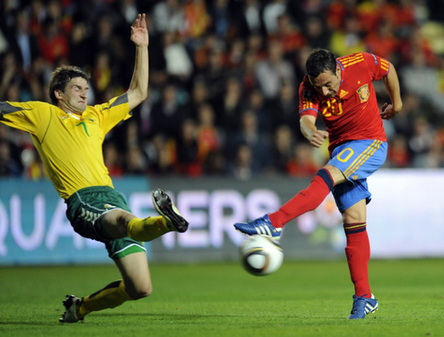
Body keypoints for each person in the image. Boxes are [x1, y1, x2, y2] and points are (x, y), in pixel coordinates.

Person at [0, 14, 189, 323]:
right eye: (77, 88)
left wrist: (142, 47)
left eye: (86, 88)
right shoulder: (43, 114)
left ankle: (81, 307)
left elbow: (139, 92)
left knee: (140, 287)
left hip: (112, 197)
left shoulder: (97, 116)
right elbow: (3, 108)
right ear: (59, 94)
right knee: (128, 221)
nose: (84, 93)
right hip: (82, 200)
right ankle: (168, 221)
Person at [234, 49, 402, 319]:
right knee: (353, 221)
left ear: (338, 70)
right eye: (318, 86)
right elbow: (305, 120)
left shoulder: (361, 63)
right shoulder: (307, 87)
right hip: (340, 149)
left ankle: (274, 222)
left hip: (370, 142)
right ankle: (364, 296)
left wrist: (398, 104)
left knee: (325, 177)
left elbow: (389, 68)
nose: (324, 92)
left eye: (328, 85)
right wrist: (311, 131)